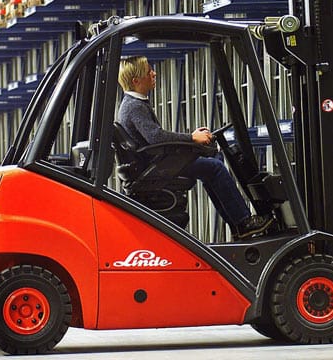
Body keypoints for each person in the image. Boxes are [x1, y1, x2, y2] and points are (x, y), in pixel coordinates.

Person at [116, 55, 273, 239]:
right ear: (136, 81)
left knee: (212, 165)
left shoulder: (133, 103)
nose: (154, 73)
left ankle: (238, 225)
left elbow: (154, 137)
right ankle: (243, 222)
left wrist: (193, 140)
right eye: (149, 71)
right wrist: (192, 138)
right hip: (158, 168)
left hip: (157, 164)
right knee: (215, 168)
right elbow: (155, 137)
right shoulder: (134, 106)